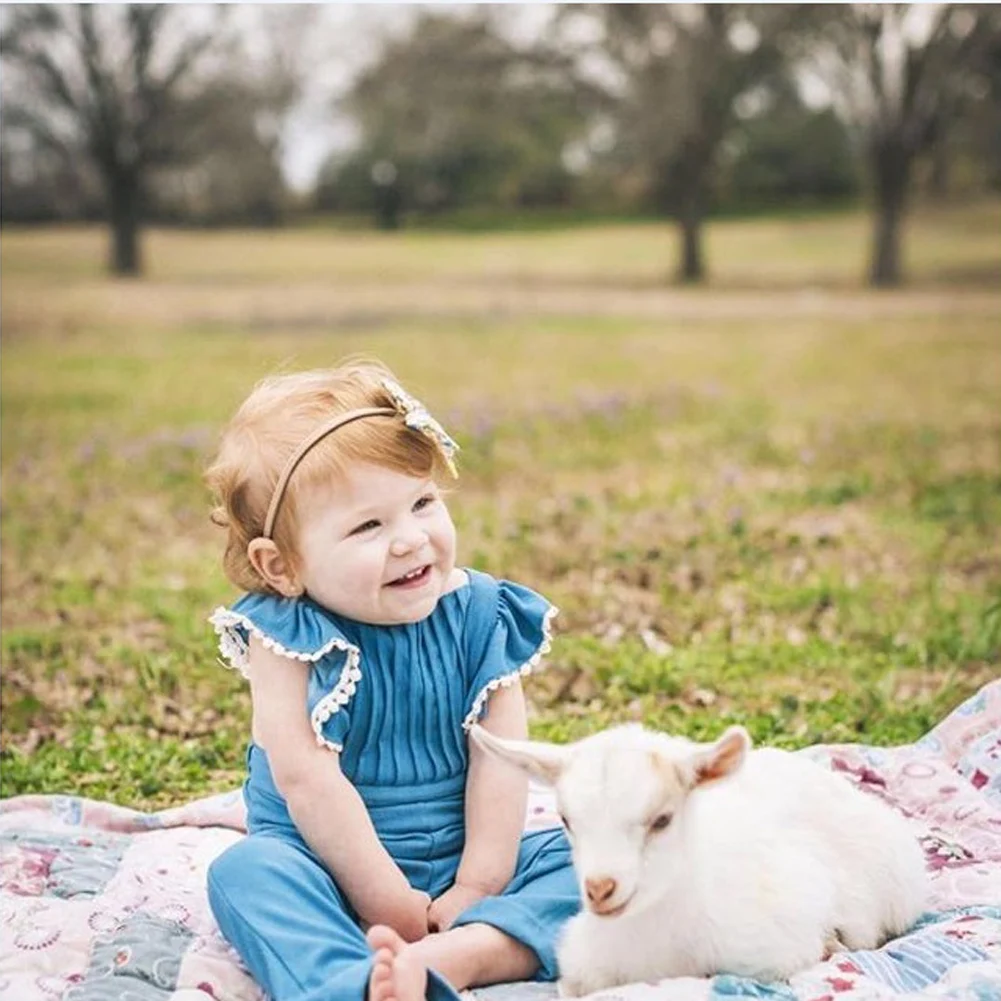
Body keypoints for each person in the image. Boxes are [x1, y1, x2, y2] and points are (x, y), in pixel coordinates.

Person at [204, 359, 579, 1001]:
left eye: (423, 502)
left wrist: (478, 887)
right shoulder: (285, 637)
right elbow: (306, 779)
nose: (410, 540)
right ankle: (347, 982)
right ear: (283, 565)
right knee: (245, 873)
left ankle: (463, 955)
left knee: (606, 856)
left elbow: (501, 761)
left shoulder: (482, 616)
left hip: (469, 866)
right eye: (368, 526)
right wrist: (383, 898)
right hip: (324, 865)